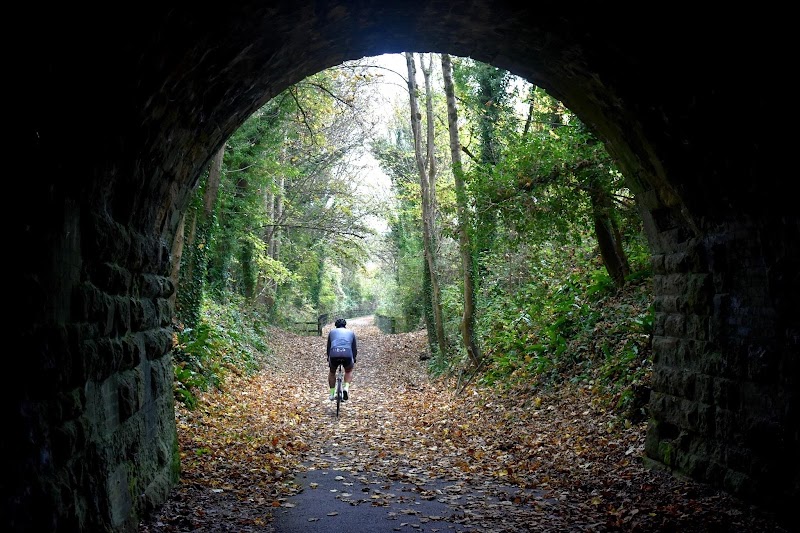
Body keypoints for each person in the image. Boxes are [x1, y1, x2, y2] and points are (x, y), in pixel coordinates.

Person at [326, 318, 357, 401]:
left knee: (332, 372)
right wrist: (354, 358)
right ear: (345, 325)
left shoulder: (332, 332)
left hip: (334, 353)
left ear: (336, 326)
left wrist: (328, 358)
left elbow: (329, 347)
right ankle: (346, 388)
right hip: (347, 353)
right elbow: (354, 348)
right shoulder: (351, 333)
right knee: (348, 371)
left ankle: (332, 393)